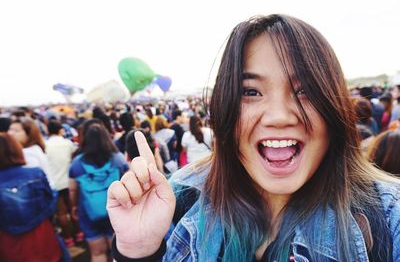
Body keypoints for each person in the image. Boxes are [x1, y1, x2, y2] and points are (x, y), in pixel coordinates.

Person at [106, 14, 400, 261]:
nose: (279, 116)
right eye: (250, 92)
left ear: (334, 106)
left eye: (305, 90)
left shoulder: (388, 215)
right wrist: (139, 251)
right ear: (225, 108)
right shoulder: (179, 202)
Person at [69, 121, 129, 262]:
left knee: (97, 253)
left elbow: (72, 190)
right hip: (116, 211)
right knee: (117, 253)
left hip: (89, 212)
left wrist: (74, 206)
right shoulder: (118, 159)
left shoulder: (77, 163)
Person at [0, 133, 63, 262]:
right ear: (15, 149)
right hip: (42, 234)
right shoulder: (35, 173)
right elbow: (50, 202)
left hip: (9, 242)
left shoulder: (35, 173)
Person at [45, 120, 83, 247]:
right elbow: (76, 152)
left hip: (55, 184)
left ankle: (68, 238)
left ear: (48, 131)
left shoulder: (45, 145)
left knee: (61, 213)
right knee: (73, 208)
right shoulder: (67, 143)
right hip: (69, 181)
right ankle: (79, 233)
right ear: (60, 130)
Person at [8, 118, 55, 188]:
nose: (10, 133)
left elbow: (30, 181)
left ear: (29, 134)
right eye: (10, 129)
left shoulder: (28, 153)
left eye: (16, 131)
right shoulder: (34, 149)